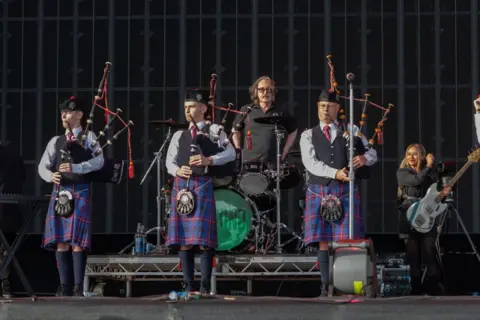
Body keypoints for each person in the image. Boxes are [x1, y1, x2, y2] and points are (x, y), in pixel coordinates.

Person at [299, 89, 378, 296]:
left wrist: (364, 159)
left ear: (337, 108)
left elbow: (372, 152)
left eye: (329, 106)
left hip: (345, 190)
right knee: (324, 240)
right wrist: (336, 173)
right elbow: (311, 164)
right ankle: (326, 285)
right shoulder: (308, 135)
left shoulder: (350, 129)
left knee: (346, 239)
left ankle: (348, 284)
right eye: (321, 106)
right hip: (320, 189)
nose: (325, 109)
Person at [165, 90, 236, 294]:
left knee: (204, 242)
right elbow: (169, 161)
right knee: (184, 241)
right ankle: (188, 286)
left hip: (202, 184)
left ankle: (204, 288)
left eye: (191, 106)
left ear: (203, 108)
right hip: (182, 187)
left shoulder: (214, 130)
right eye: (185, 107)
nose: (187, 110)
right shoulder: (179, 134)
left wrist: (209, 160)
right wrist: (178, 170)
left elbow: (230, 153)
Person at [38, 96, 104, 296]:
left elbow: (99, 161)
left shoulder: (89, 136)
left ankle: (77, 288)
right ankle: (64, 287)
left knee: (77, 241)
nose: (63, 115)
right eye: (62, 112)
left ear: (79, 115)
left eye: (67, 112)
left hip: (80, 190)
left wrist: (77, 167)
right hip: (60, 192)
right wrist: (51, 175)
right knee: (61, 240)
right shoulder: (56, 141)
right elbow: (42, 166)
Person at [396, 143, 451, 295]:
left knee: (429, 252)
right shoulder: (402, 172)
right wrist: (429, 165)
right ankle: (415, 289)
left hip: (427, 216)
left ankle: (432, 288)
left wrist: (444, 192)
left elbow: (434, 192)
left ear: (421, 156)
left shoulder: (429, 174)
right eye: (409, 154)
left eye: (415, 154)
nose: (411, 157)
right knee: (413, 255)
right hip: (409, 215)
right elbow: (416, 181)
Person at [231, 76, 298, 163]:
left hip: (273, 163)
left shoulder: (281, 112)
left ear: (274, 92)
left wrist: (285, 151)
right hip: (249, 162)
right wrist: (238, 150)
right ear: (256, 91)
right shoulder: (246, 110)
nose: (265, 93)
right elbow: (235, 130)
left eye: (269, 89)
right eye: (261, 89)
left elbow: (293, 130)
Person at [0, 141, 26, 298]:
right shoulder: (13, 155)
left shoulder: (8, 156)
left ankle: (5, 284)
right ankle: (6, 284)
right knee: (4, 247)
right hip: (9, 213)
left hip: (5, 212)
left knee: (3, 247)